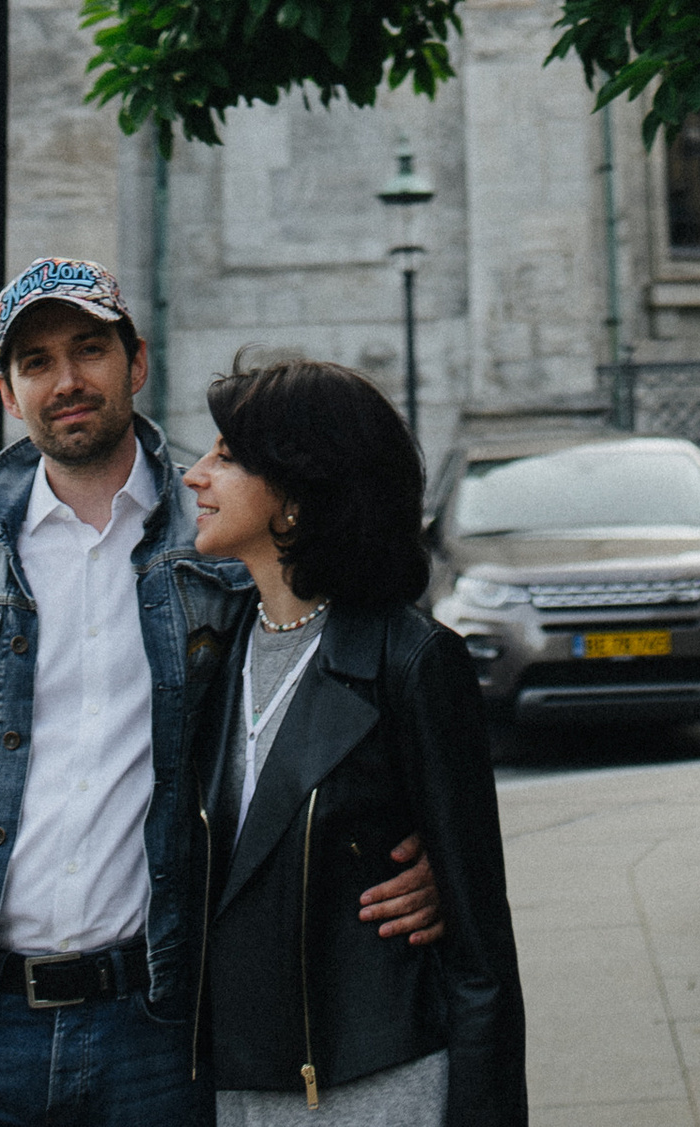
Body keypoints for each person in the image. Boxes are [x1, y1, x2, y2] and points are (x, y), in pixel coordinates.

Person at [0, 257, 444, 1124]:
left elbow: (345, 696)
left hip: (156, 1024)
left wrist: (416, 848)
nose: (67, 380)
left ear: (137, 362)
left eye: (89, 349)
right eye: (36, 362)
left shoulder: (220, 545)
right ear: (9, 392)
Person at [186, 356, 526, 1127]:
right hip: (233, 1081)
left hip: (375, 1080)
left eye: (226, 457)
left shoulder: (409, 660)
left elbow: (480, 945)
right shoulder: (207, 646)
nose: (194, 474)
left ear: (298, 500)